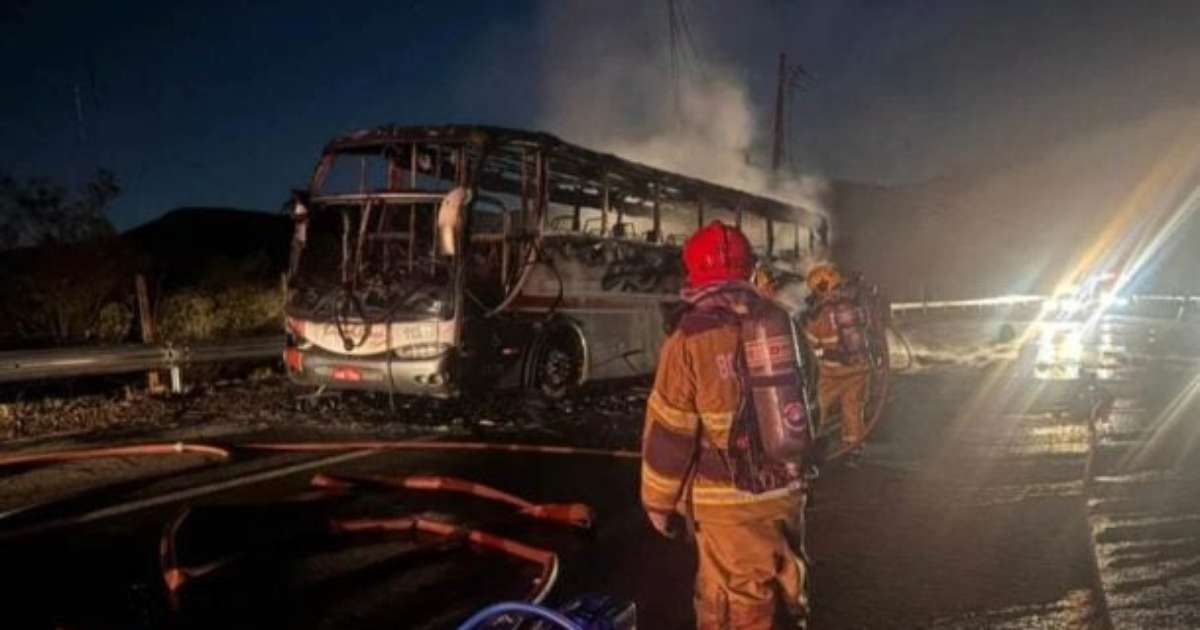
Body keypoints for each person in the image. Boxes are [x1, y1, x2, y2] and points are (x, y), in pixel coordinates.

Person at [641, 221, 810, 630]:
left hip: (727, 504)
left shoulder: (688, 341)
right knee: (786, 582)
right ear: (750, 269)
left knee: (735, 603)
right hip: (787, 489)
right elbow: (809, 399)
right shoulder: (784, 325)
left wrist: (658, 503)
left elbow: (670, 434)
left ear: (694, 273)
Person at [803, 262, 871, 466]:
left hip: (831, 373)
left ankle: (809, 449)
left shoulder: (819, 315)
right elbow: (867, 326)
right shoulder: (854, 304)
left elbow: (811, 346)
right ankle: (853, 450)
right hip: (860, 368)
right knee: (852, 409)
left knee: (818, 409)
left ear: (820, 288)